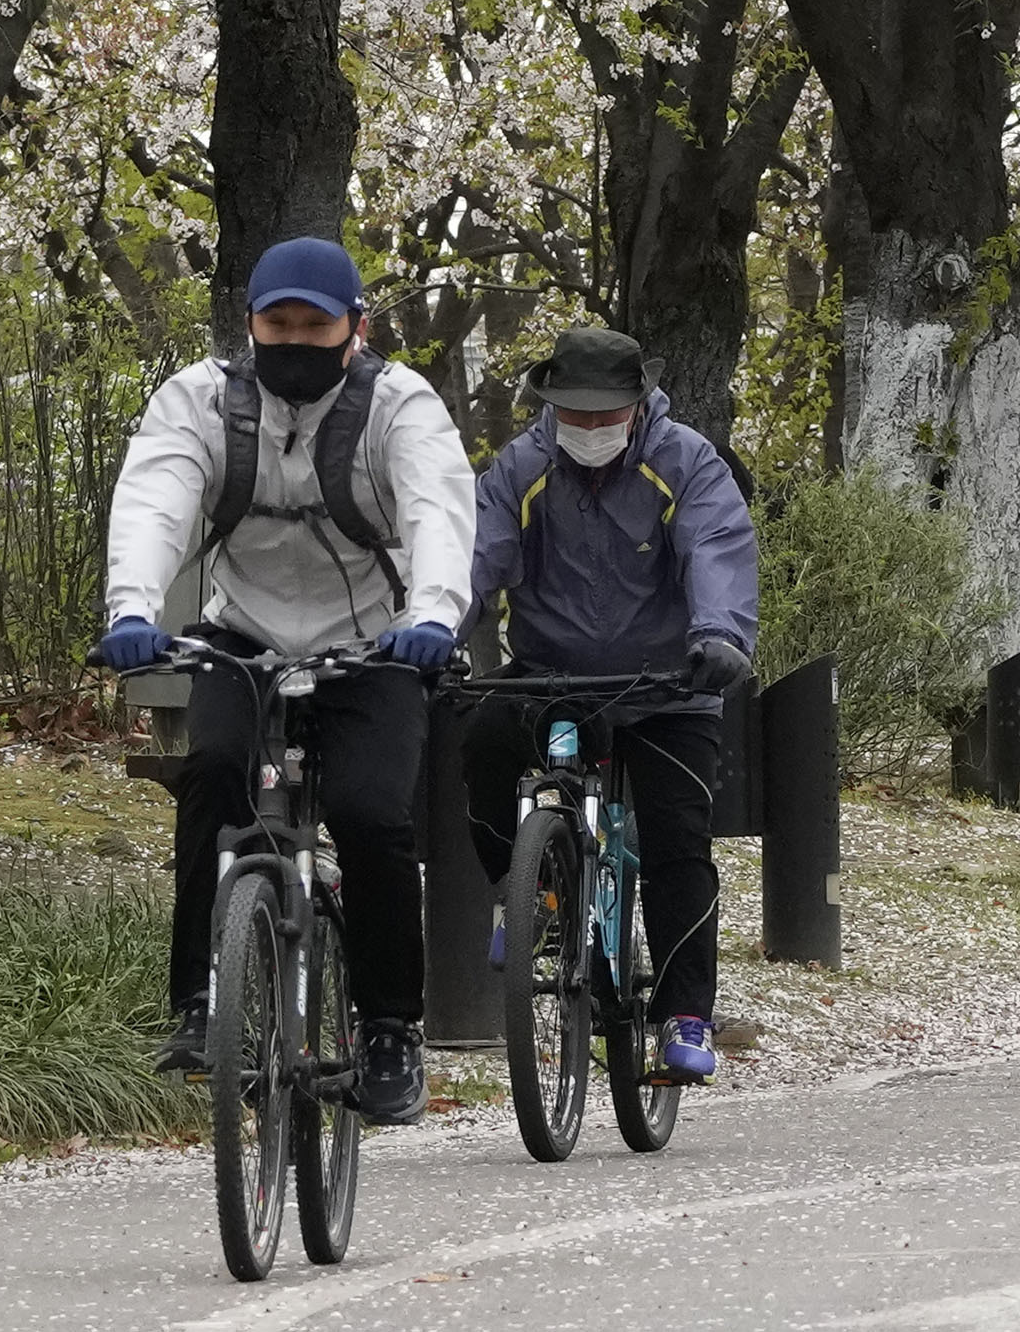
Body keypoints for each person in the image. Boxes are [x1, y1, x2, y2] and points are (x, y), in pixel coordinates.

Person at [96, 237, 478, 1119]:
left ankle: (390, 1027)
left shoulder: (397, 404)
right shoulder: (200, 400)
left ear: (357, 327)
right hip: (245, 638)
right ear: (250, 324)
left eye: (317, 324)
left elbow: (436, 509)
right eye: (279, 323)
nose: (296, 340)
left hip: (374, 647)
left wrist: (432, 616)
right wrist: (129, 611)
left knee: (373, 816)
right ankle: (198, 1002)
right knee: (213, 777)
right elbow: (154, 498)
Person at [457, 326, 758, 1082]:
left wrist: (718, 636)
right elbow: (473, 557)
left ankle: (685, 1016)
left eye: (604, 415)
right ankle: (530, 895)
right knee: (482, 743)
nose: (589, 429)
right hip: (551, 673)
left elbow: (715, 548)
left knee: (676, 838)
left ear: (636, 405)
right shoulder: (520, 468)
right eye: (573, 414)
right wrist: (436, 632)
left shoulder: (686, 462)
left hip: (669, 684)